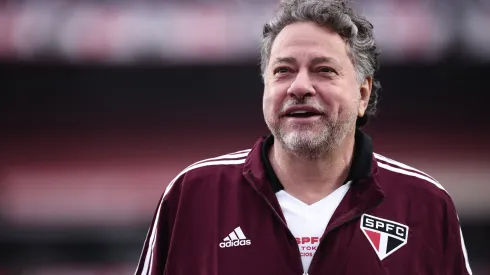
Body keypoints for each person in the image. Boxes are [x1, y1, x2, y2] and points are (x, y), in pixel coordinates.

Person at [134, 0, 472, 274]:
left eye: (324, 70)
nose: (299, 87)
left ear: (363, 93)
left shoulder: (426, 205)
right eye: (283, 70)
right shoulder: (191, 195)